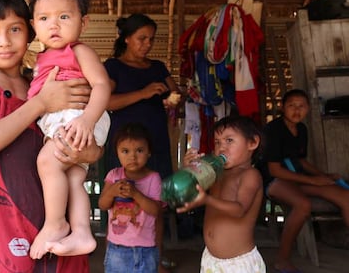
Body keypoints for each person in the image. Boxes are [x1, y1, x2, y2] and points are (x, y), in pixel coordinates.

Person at [0, 0, 101, 273]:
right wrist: (41, 103)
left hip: (60, 226)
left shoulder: (48, 81)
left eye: (15, 29)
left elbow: (90, 141)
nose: (4, 41)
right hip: (1, 226)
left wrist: (90, 149)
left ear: (31, 33)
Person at [26, 0, 111, 259]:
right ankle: (82, 233)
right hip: (66, 119)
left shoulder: (78, 51)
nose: (54, 25)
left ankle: (55, 224)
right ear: (34, 24)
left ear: (83, 23)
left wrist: (87, 119)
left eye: (64, 16)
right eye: (44, 18)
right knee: (74, 177)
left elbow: (101, 85)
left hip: (79, 116)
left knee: (47, 162)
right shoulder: (39, 59)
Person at [104, 13, 180, 271]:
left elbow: (174, 92)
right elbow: (106, 102)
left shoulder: (157, 67)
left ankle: (155, 259)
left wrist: (174, 98)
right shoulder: (113, 67)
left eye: (151, 39)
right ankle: (116, 257)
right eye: (141, 38)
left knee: (156, 203)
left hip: (155, 143)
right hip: (124, 148)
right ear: (126, 39)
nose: (147, 44)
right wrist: (144, 93)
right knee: (121, 201)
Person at [260, 88, 349, 273]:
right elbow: (274, 170)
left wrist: (322, 176)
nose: (296, 110)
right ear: (282, 107)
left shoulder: (301, 129)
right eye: (291, 105)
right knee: (302, 204)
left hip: (297, 176)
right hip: (274, 180)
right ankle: (282, 260)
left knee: (345, 195)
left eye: (301, 106)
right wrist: (314, 181)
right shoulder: (273, 129)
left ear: (308, 108)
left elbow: (300, 160)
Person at [177, 116, 266, 273]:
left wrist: (207, 199)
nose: (222, 148)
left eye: (229, 141)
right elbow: (188, 190)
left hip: (238, 265)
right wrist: (188, 169)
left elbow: (239, 210)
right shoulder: (215, 173)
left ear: (252, 143)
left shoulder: (250, 175)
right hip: (211, 261)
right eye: (217, 142)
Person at [98, 123, 163, 273]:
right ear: (117, 153)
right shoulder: (113, 176)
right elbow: (102, 204)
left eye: (139, 150)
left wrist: (135, 194)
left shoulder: (153, 178)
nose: (132, 156)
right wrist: (112, 192)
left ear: (149, 152)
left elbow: (156, 210)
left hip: (146, 249)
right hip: (117, 249)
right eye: (125, 151)